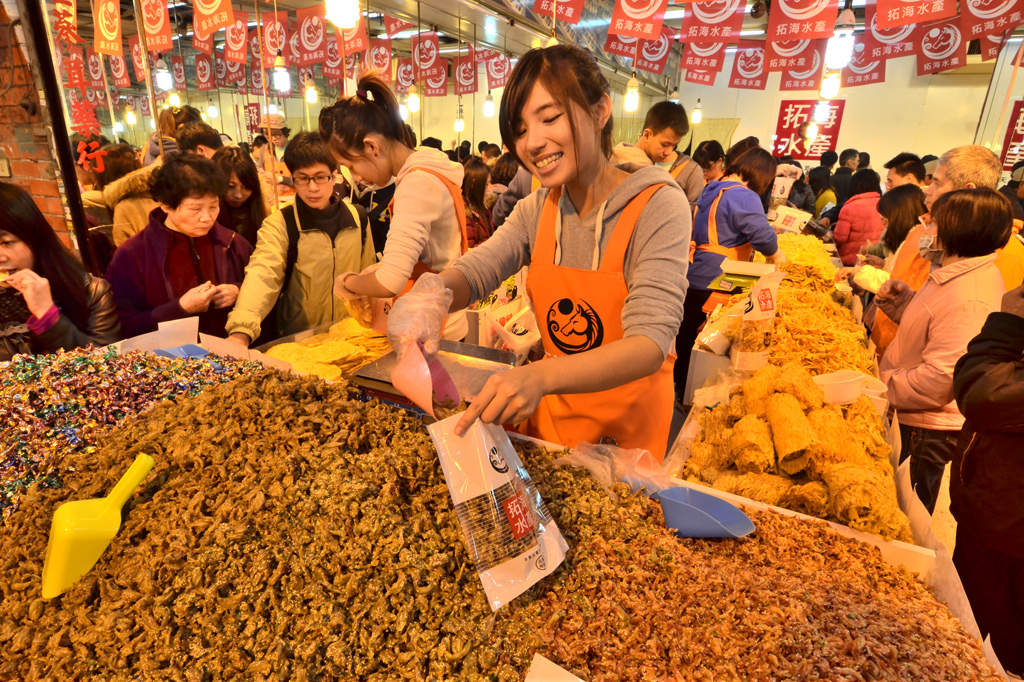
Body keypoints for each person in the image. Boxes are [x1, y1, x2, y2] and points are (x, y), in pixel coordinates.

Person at [433, 45, 690, 460]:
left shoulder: (658, 205)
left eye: (550, 118)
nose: (533, 143)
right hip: (550, 433)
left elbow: (649, 341)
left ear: (600, 111)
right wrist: (432, 294)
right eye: (519, 130)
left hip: (627, 444)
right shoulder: (538, 209)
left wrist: (541, 376)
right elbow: (480, 268)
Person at [876, 188, 1011, 513]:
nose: (926, 229)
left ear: (956, 230)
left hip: (926, 430)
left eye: (933, 223)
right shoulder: (951, 272)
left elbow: (941, 378)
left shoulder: (971, 296)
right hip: (912, 414)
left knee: (904, 517)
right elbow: (937, 333)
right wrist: (906, 306)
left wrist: (882, 386)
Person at [321, 75, 470, 341]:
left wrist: (348, 283)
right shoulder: (429, 169)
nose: (355, 177)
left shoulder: (417, 184)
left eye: (352, 166)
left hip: (436, 329)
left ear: (371, 146)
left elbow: (390, 281)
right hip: (442, 317)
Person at [226, 134, 375, 345]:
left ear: (335, 177)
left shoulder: (358, 218)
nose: (312, 188)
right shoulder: (280, 223)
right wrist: (241, 331)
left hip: (352, 335)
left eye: (320, 177)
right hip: (300, 340)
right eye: (303, 178)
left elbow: (368, 274)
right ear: (293, 178)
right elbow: (263, 273)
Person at [950, 283, 1024, 676]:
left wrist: (1007, 324)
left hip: (1008, 534)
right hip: (991, 515)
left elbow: (983, 392)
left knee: (988, 650)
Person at [676, 147, 784, 401]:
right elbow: (762, 236)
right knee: (709, 343)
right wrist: (776, 254)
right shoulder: (743, 196)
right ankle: (698, 396)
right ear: (762, 176)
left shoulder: (713, 188)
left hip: (695, 272)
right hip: (721, 277)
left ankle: (680, 389)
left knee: (687, 337)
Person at [106, 153, 253, 338]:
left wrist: (238, 290)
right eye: (195, 209)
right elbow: (122, 326)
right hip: (166, 360)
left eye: (213, 207)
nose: (207, 218)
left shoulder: (233, 243)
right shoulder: (131, 255)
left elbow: (265, 292)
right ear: (165, 205)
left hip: (234, 352)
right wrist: (179, 308)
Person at [0, 182, 120, 359]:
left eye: (7, 242)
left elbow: (109, 368)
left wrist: (47, 316)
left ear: (35, 238)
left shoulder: (91, 292)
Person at [925, 145, 1024, 292]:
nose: (927, 190)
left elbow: (986, 312)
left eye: (937, 183)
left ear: (968, 189)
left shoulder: (1004, 252)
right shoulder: (935, 227)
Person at [841, 184, 927, 295]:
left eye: (886, 216)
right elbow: (897, 271)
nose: (883, 221)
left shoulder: (915, 242)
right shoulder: (911, 236)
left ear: (901, 215)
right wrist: (884, 264)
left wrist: (858, 272)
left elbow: (896, 285)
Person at [612, 101, 704, 204]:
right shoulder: (636, 168)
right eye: (664, 145)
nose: (669, 152)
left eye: (674, 146)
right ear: (647, 135)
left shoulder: (615, 156)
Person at [213, 146, 272, 246]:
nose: (238, 195)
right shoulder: (207, 217)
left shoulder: (263, 211)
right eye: (230, 186)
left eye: (246, 187)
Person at [833, 169, 884, 265]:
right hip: (877, 259)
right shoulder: (884, 204)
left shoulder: (849, 208)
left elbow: (839, 238)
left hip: (852, 260)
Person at [462, 157, 494, 249]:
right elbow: (468, 249)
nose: (489, 189)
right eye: (486, 185)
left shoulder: (483, 208)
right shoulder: (465, 213)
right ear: (474, 184)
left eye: (489, 184)